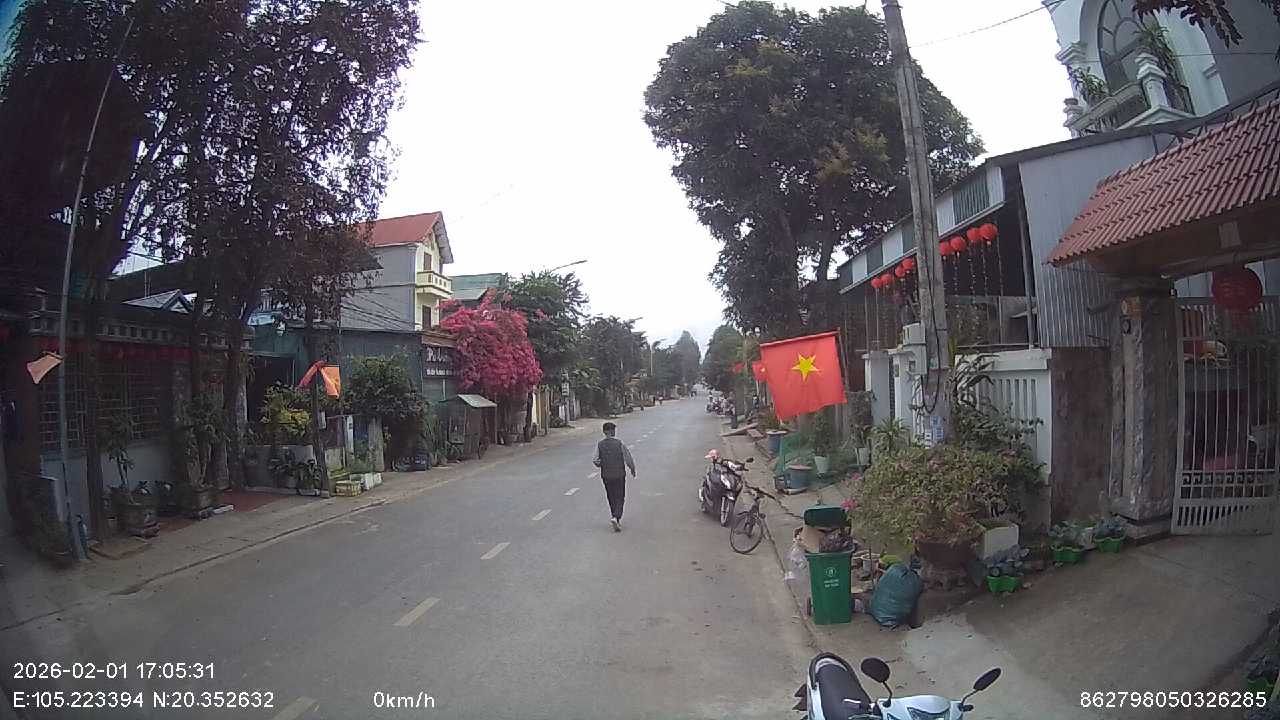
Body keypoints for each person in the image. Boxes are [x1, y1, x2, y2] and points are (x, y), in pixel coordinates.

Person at [593, 421, 636, 531]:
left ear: (604, 432)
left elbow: (595, 460)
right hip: (619, 474)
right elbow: (628, 458)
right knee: (620, 496)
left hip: (606, 475)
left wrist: (602, 463)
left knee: (611, 496)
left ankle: (614, 516)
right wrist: (632, 469)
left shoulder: (600, 445)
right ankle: (616, 517)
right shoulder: (619, 444)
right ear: (613, 431)